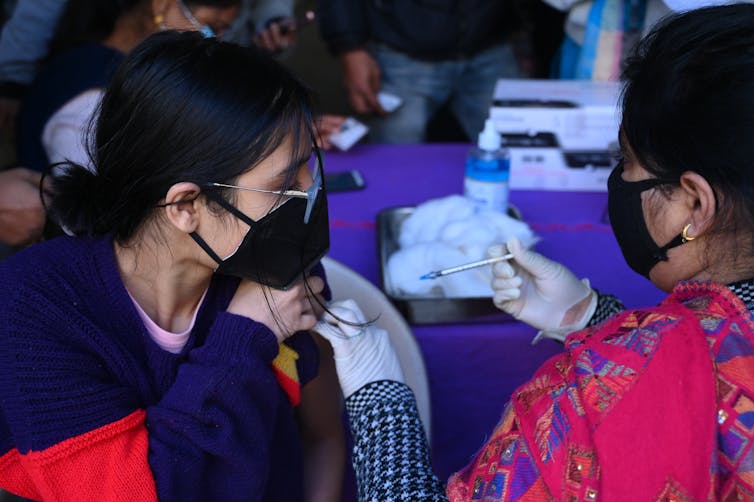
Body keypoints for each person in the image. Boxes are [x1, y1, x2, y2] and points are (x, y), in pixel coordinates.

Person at [314, 4, 754, 500]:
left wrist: (382, 398)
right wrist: (593, 318)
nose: (620, 179)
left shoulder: (594, 397)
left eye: (626, 162)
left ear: (694, 204)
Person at [0, 31, 345, 501]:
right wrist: (245, 334)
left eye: (309, 168)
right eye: (287, 180)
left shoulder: (274, 268)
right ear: (185, 206)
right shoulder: (35, 307)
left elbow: (323, 435)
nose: (309, 193)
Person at [15, 0, 241, 173]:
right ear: (161, 5)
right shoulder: (90, 88)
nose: (214, 39)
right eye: (212, 26)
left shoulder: (114, 72)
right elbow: (89, 211)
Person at [315, 1, 522, 144]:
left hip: (491, 41)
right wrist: (350, 47)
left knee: (524, 154)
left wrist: (528, 41)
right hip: (400, 48)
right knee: (395, 161)